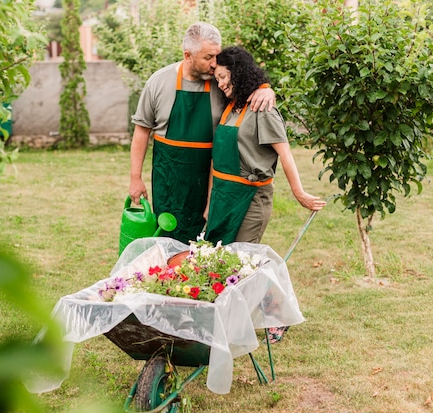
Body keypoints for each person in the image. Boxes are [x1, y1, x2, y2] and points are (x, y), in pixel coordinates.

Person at [205, 45, 327, 343]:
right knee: (224, 258)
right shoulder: (231, 106)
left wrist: (299, 193)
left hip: (250, 197)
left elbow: (284, 153)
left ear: (238, 73)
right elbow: (216, 160)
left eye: (223, 77)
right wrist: (210, 201)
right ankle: (232, 315)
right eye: (217, 78)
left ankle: (277, 313)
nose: (220, 84)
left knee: (245, 259)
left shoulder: (262, 108)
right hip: (223, 194)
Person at [129, 22, 275, 245]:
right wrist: (135, 178)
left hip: (210, 181)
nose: (215, 63)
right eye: (208, 57)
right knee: (166, 240)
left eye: (217, 55)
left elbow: (249, 83)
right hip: (169, 179)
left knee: (208, 245)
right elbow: (141, 131)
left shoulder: (221, 83)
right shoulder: (159, 82)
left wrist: (265, 89)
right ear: (188, 55)